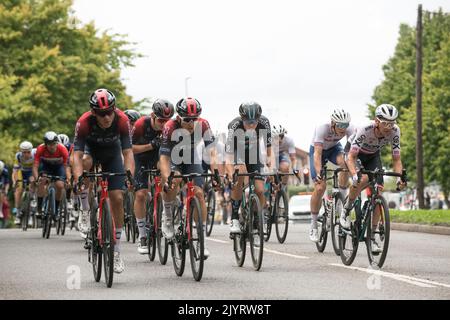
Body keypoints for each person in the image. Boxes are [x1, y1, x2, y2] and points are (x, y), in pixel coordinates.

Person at [73, 88, 135, 274]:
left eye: (110, 111)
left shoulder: (122, 120)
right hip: (90, 152)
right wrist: (78, 179)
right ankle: (85, 209)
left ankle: (116, 252)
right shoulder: (84, 123)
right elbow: (76, 155)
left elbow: (128, 152)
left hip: (112, 154)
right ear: (93, 112)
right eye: (101, 113)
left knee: (117, 197)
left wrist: (129, 174)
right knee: (85, 162)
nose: (107, 117)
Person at [159, 97, 218, 259]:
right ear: (178, 118)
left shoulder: (204, 125)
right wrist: (168, 178)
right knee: (175, 180)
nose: (191, 124)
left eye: (195, 119)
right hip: (173, 158)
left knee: (199, 194)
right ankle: (168, 215)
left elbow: (212, 152)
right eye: (187, 120)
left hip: (191, 158)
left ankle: (202, 241)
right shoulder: (170, 127)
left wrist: (216, 174)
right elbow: (163, 159)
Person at [343, 104, 406, 253]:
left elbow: (396, 159)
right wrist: (354, 175)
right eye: (385, 123)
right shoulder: (365, 129)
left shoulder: (395, 131)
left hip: (373, 155)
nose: (388, 127)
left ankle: (371, 238)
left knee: (378, 191)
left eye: (392, 123)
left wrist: (399, 179)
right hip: (355, 153)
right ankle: (347, 209)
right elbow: (351, 157)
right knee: (362, 179)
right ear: (376, 121)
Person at [131, 99, 174, 254]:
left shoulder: (171, 128)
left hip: (159, 157)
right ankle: (142, 235)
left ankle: (165, 211)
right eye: (161, 120)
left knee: (166, 178)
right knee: (141, 194)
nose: (164, 124)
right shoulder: (141, 125)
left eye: (167, 121)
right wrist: (150, 145)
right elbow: (130, 149)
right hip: (141, 156)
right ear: (152, 116)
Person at [225, 102, 272, 234]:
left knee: (260, 190)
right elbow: (228, 156)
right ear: (242, 119)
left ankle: (257, 220)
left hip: (253, 154)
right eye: (247, 122)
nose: (251, 125)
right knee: (239, 172)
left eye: (254, 122)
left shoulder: (264, 123)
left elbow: (269, 151)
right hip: (237, 152)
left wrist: (272, 168)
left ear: (258, 119)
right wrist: (230, 173)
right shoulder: (234, 125)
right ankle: (234, 217)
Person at [308, 109, 354, 242]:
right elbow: (317, 154)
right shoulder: (322, 128)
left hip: (334, 148)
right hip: (318, 151)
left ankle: (341, 196)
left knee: (344, 164)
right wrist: (318, 172)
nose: (343, 129)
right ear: (333, 123)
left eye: (345, 125)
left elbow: (350, 152)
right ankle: (313, 224)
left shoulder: (349, 129)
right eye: (340, 125)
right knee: (320, 187)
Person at [31, 132, 69, 221]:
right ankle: (39, 209)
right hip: (46, 167)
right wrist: (37, 179)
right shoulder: (40, 148)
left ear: (57, 143)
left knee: (60, 185)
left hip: (59, 168)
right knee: (42, 181)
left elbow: (66, 166)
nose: (51, 146)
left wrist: (68, 178)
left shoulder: (62, 149)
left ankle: (56, 209)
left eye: (53, 144)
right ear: (45, 144)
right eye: (49, 144)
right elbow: (35, 166)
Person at [12, 141, 36, 225]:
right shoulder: (18, 156)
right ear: (21, 152)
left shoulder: (35, 153)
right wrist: (15, 182)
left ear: (31, 150)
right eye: (24, 152)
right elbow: (15, 171)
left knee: (32, 183)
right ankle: (18, 213)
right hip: (22, 172)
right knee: (18, 190)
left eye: (28, 152)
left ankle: (32, 200)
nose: (26, 154)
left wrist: (35, 177)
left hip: (32, 171)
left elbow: (38, 167)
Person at [0, 161, 10, 228]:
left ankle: (0, 210)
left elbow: (7, 182)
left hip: (1, 181)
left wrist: (6, 191)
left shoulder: (4, 170)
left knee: (1, 191)